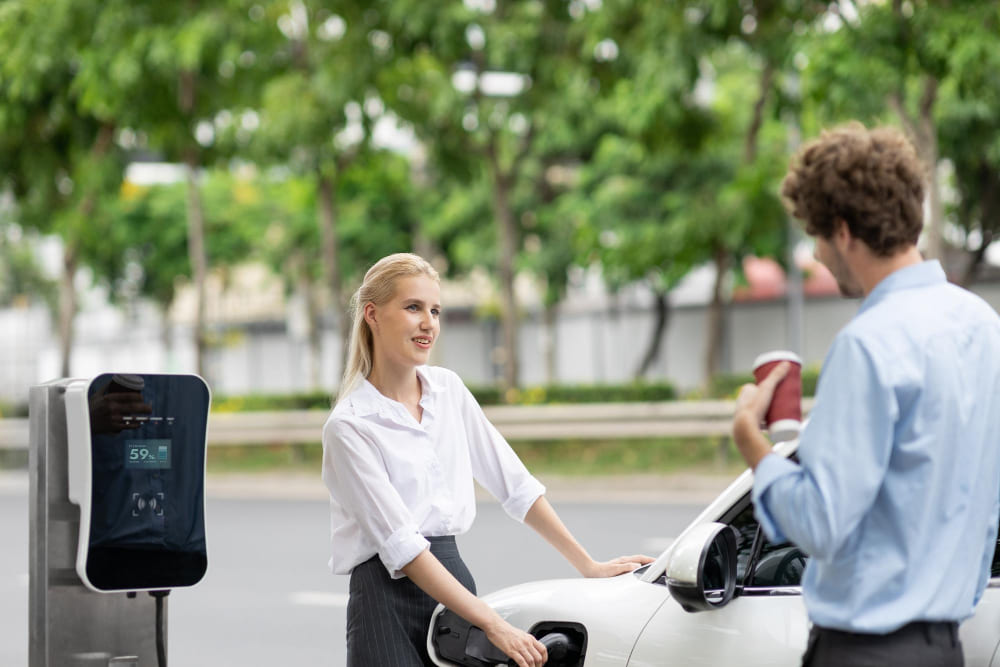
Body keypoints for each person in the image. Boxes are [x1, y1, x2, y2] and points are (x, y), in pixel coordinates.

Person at [731, 123, 1000, 666]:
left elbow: (819, 525)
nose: (819, 255)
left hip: (864, 651)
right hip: (944, 646)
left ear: (844, 232)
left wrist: (753, 448)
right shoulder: (982, 324)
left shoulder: (868, 344)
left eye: (817, 237)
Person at [322, 253, 652, 667]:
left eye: (435, 310)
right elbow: (404, 550)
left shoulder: (449, 390)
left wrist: (587, 564)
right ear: (371, 314)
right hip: (384, 603)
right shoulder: (349, 426)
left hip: (453, 588)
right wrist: (493, 624)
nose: (429, 323)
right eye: (413, 308)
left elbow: (515, 485)